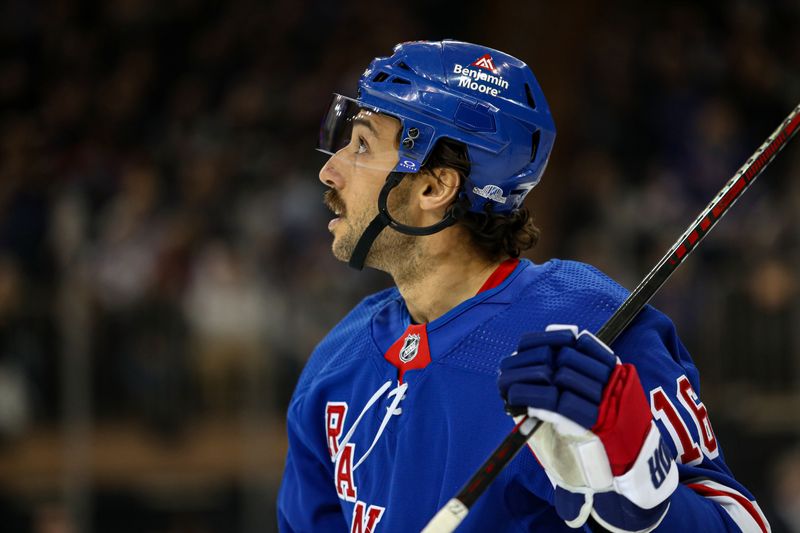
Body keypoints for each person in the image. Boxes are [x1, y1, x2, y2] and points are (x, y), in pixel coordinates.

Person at [277, 40, 768, 532]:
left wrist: (646, 495)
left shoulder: (588, 332)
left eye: (362, 145)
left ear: (434, 187)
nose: (329, 170)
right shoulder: (335, 362)